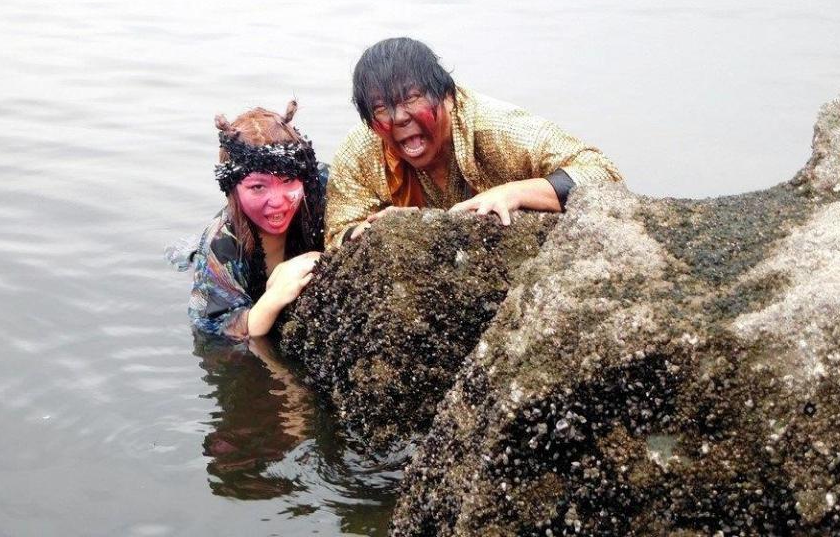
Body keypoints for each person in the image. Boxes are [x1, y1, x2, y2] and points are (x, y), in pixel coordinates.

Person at [325, 37, 623, 248]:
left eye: (412, 98)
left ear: (448, 96)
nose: (399, 117)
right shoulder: (360, 151)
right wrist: (375, 231)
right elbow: (336, 235)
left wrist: (514, 192)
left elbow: (603, 174)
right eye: (380, 108)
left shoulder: (496, 128)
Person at [181, 100, 326, 339]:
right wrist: (275, 297)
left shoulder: (320, 187)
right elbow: (213, 331)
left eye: (289, 180)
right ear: (232, 189)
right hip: (198, 263)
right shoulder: (221, 244)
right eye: (258, 186)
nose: (278, 201)